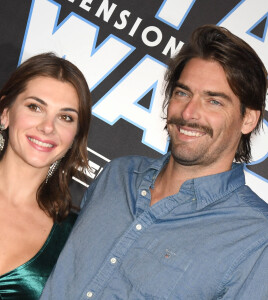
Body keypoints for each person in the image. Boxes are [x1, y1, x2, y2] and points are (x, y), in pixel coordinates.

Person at [41, 25, 268, 299]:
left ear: (248, 119)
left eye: (214, 101)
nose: (189, 112)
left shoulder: (256, 237)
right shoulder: (118, 174)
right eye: (182, 93)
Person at [0, 52, 91, 299]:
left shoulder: (73, 236)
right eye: (35, 107)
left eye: (66, 117)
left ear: (75, 137)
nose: (48, 127)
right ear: (5, 113)